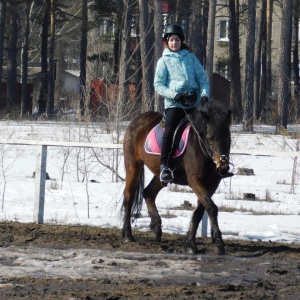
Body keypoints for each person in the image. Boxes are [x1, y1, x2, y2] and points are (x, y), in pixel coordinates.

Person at [154, 23, 210, 184]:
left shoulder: (191, 58)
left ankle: (215, 162)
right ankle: (165, 165)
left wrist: (204, 95)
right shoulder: (163, 61)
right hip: (175, 104)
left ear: (181, 41)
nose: (174, 43)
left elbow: (203, 80)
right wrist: (175, 95)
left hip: (194, 103)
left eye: (177, 40)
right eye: (171, 40)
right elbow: (158, 85)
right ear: (167, 41)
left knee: (209, 128)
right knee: (170, 131)